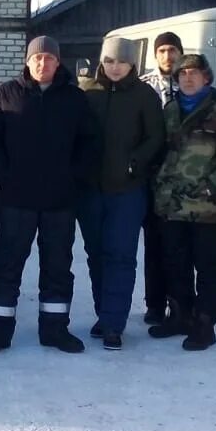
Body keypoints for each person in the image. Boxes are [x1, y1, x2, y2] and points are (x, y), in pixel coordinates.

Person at [0, 36, 95, 356]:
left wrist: (73, 178)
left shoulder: (74, 98)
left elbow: (88, 143)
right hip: (17, 199)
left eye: (49, 59)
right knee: (6, 265)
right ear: (27, 61)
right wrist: (7, 175)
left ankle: (55, 329)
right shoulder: (4, 94)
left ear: (59, 62)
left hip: (60, 200)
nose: (43, 64)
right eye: (37, 58)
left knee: (58, 266)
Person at [150, 53, 216, 351]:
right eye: (182, 75)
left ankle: (205, 323)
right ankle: (180, 315)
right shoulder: (169, 111)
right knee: (174, 263)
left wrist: (212, 188)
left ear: (206, 78)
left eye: (194, 73)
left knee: (207, 266)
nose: (188, 78)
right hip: (172, 205)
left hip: (205, 207)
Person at [77, 37, 165, 350]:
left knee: (120, 256)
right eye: (110, 61)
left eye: (122, 62)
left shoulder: (144, 95)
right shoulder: (88, 92)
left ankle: (115, 323)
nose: (115, 68)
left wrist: (135, 162)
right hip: (89, 190)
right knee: (96, 254)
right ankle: (105, 313)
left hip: (127, 190)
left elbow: (156, 136)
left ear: (133, 65)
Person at [137, 30, 183, 325]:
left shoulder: (192, 83)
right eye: (163, 50)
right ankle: (154, 304)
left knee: (179, 246)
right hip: (151, 179)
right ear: (156, 55)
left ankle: (179, 304)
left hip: (182, 181)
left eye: (173, 50)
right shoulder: (143, 87)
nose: (168, 56)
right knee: (153, 244)